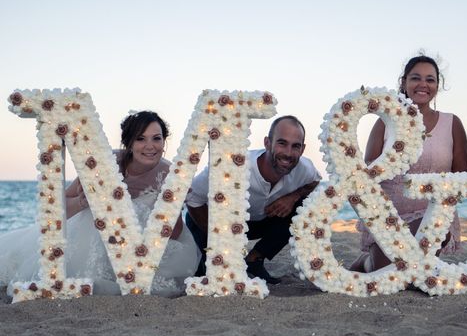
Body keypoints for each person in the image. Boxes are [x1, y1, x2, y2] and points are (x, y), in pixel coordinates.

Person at [0, 111, 201, 297]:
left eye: (156, 138)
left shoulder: (171, 174)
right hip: (96, 235)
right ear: (128, 142)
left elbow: (173, 235)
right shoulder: (107, 163)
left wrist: (174, 207)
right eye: (140, 138)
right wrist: (82, 202)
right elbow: (58, 206)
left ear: (164, 141)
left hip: (142, 248)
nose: (150, 146)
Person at [351, 55, 467, 273]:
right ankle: (367, 261)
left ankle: (412, 260)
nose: (423, 84)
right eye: (416, 78)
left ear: (437, 85)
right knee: (386, 272)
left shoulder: (451, 123)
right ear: (404, 82)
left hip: (434, 216)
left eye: (430, 79)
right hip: (389, 218)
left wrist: (447, 191)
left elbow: (464, 174)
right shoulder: (385, 122)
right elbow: (367, 174)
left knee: (404, 265)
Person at [186, 115, 321, 284]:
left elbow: (315, 181)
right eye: (282, 143)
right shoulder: (234, 165)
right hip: (211, 222)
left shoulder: (305, 169)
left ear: (302, 150)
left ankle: (254, 259)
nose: (288, 153)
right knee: (210, 276)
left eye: (295, 146)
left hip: (257, 223)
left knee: (304, 208)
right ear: (267, 143)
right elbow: (192, 197)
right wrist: (218, 238)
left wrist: (292, 197)